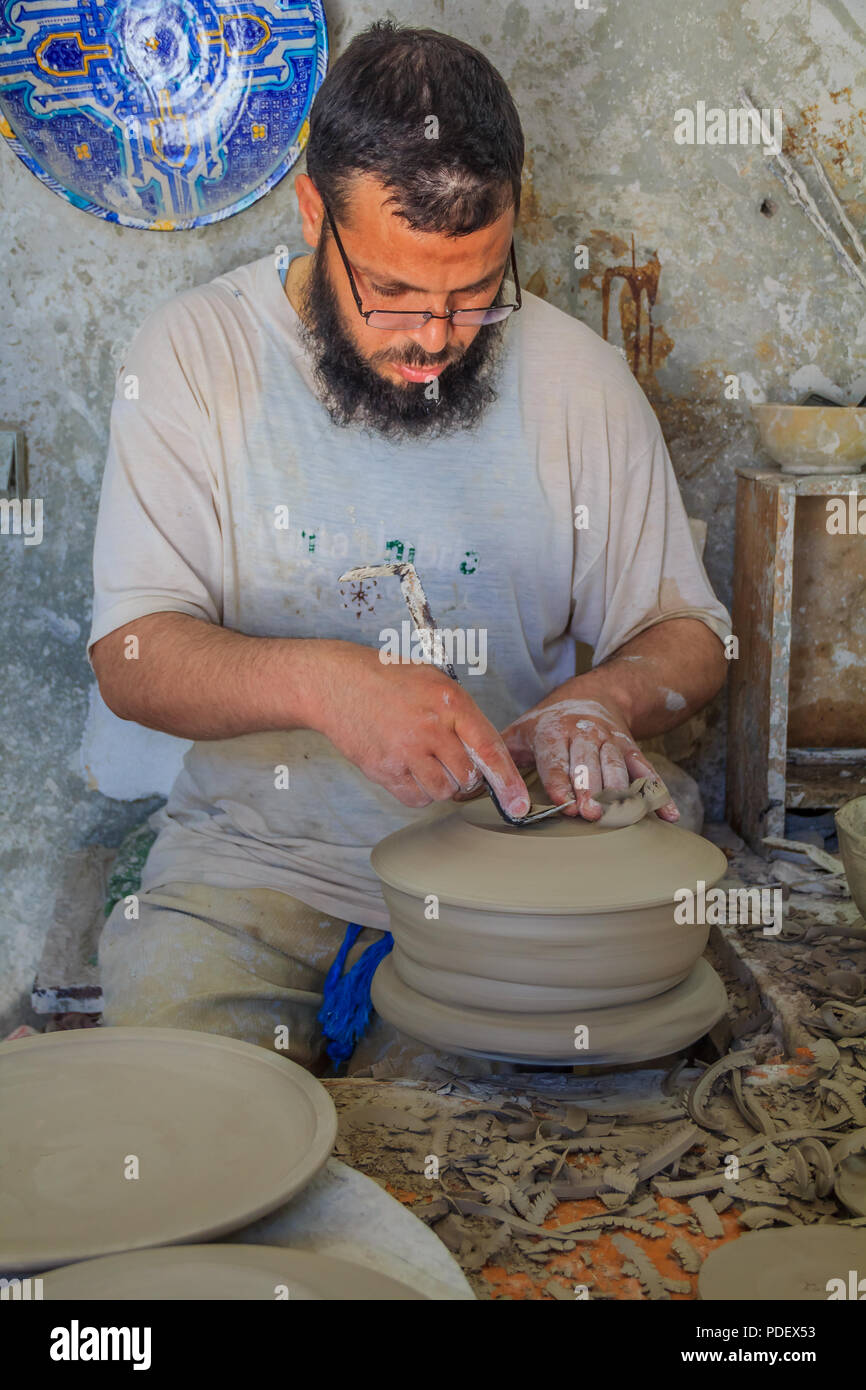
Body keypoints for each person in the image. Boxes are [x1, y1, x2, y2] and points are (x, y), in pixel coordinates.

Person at [89, 21, 730, 1078]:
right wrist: (328, 683)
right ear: (311, 215)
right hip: (251, 876)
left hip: (512, 893)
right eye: (390, 291)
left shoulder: (579, 380)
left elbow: (685, 635)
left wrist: (601, 702)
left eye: (473, 290)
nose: (433, 336)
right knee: (175, 1141)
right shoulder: (189, 360)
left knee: (503, 1186)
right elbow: (131, 659)